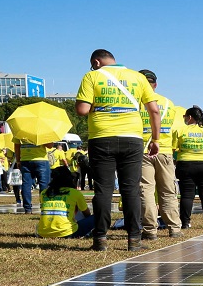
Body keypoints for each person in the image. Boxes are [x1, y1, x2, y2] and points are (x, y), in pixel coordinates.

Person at [74, 48, 160, 251]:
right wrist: (155, 139)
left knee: (103, 189)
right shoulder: (137, 77)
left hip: (101, 138)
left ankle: (100, 238)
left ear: (96, 62)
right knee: (130, 189)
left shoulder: (92, 76)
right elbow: (154, 110)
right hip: (132, 138)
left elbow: (82, 110)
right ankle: (134, 240)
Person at [138, 69, 179, 236]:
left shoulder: (136, 102)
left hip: (143, 150)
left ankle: (150, 229)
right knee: (168, 190)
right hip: (165, 150)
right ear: (155, 84)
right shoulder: (169, 103)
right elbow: (174, 129)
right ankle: (175, 228)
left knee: (146, 190)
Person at [172, 105, 203, 229]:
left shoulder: (180, 130)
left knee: (187, 195)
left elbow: (173, 147)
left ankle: (185, 223)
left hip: (186, 165)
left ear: (189, 117)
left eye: (184, 117)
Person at [37, 166, 94, 238]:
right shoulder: (74, 193)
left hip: (43, 232)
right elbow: (86, 213)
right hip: (67, 232)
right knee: (98, 217)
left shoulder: (44, 193)